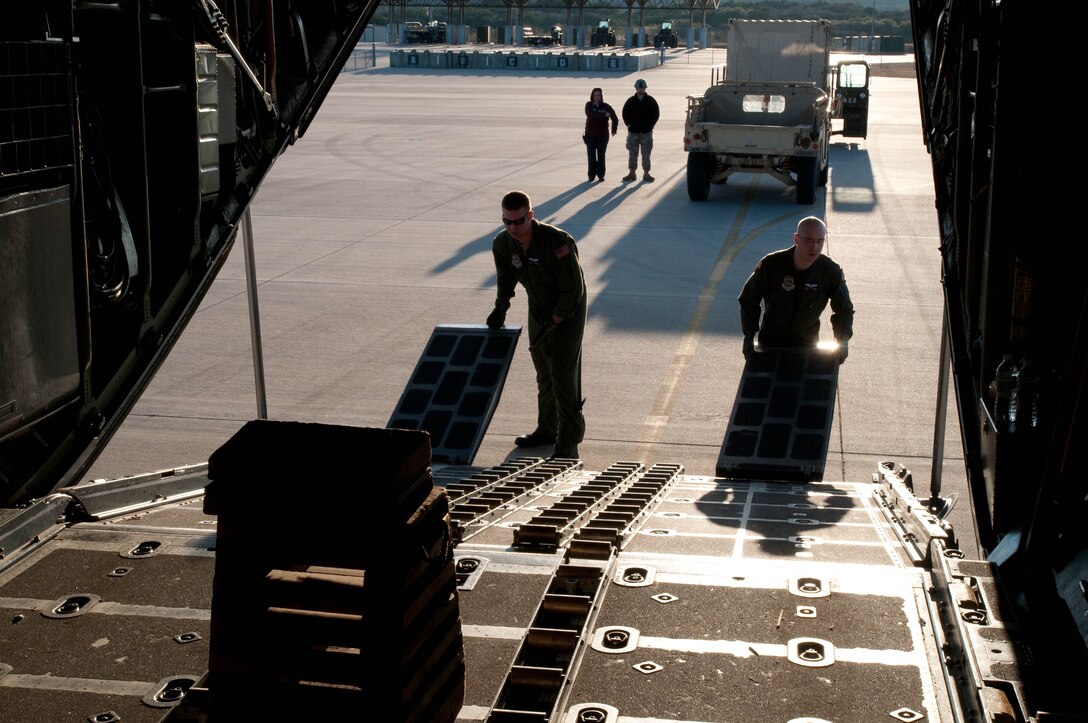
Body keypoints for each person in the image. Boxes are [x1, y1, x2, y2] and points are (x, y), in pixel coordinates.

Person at [486, 190, 587, 459]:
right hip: (539, 306)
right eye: (507, 222)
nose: (513, 228)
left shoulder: (557, 242)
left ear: (530, 216)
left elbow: (573, 288)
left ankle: (568, 441)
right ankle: (547, 429)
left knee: (562, 374)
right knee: (543, 370)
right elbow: (505, 280)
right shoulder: (502, 244)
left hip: (569, 308)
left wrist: (558, 318)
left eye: (519, 221)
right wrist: (500, 309)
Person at [738, 216, 854, 363]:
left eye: (820, 241)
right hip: (771, 343)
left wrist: (842, 341)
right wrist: (749, 335)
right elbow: (749, 298)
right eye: (808, 241)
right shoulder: (772, 264)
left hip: (807, 345)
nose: (814, 247)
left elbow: (844, 310)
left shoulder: (829, 271)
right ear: (796, 239)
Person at [621, 78, 660, 183]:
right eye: (639, 87)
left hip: (646, 132)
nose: (641, 90)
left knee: (646, 153)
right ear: (636, 88)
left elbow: (656, 114)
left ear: (645, 88)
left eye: (642, 88)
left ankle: (646, 173)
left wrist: (651, 125)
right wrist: (629, 124)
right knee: (632, 153)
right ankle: (632, 173)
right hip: (633, 132)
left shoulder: (651, 101)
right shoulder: (630, 101)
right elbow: (625, 113)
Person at [584, 87, 618, 182]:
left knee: (601, 155)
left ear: (601, 96)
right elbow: (591, 115)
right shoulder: (589, 105)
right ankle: (591, 175)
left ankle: (601, 175)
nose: (597, 97)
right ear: (592, 96)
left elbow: (615, 118)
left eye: (598, 95)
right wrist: (604, 115)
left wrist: (614, 129)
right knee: (591, 155)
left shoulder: (606, 106)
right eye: (595, 95)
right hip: (590, 135)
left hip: (603, 136)